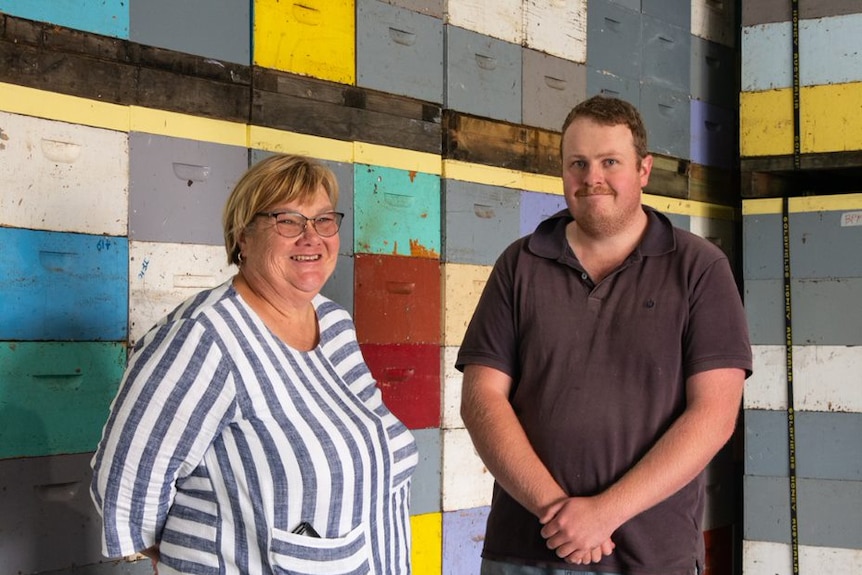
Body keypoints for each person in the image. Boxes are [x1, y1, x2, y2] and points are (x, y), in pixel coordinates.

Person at [457, 95, 752, 575]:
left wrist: (605, 513)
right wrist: (559, 512)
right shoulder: (520, 263)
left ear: (643, 170)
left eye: (609, 162)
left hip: (650, 558)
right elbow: (482, 400)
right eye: (578, 163)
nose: (592, 178)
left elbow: (714, 415)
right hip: (523, 551)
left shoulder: (699, 268)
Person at [91, 154, 418, 575]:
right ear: (242, 236)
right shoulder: (204, 336)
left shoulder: (334, 322)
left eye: (323, 220)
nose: (311, 238)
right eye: (288, 221)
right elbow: (128, 483)